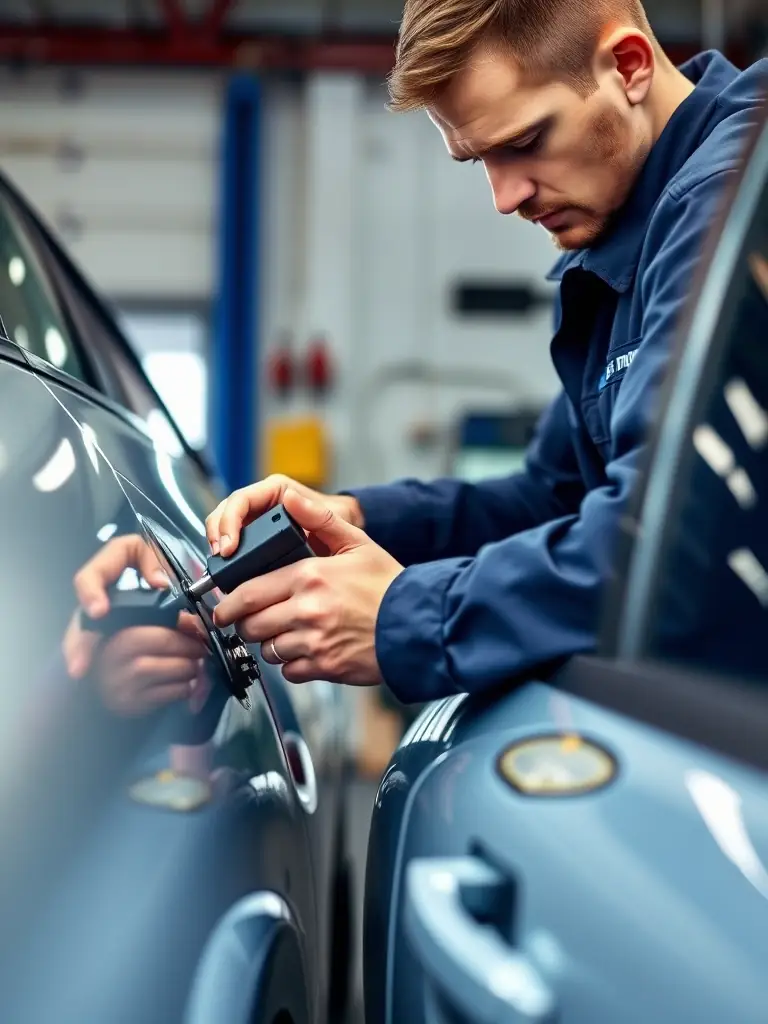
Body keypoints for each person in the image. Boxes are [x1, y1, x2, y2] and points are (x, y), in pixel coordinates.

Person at [81, 1, 768, 708]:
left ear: (627, 66)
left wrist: (406, 615)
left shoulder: (734, 207)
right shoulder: (630, 232)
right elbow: (552, 498)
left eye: (526, 140)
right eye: (480, 160)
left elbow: (675, 555)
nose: (507, 197)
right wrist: (349, 520)